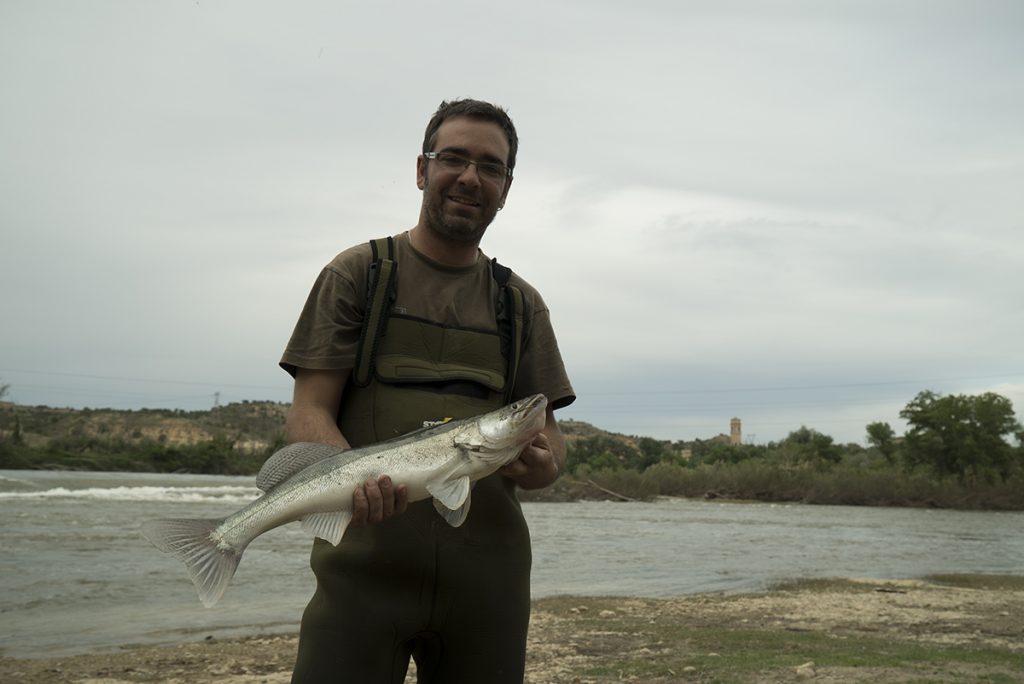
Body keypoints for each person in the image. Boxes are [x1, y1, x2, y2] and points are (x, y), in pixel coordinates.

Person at [279, 98, 575, 683]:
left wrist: (541, 464)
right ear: (422, 169)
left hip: (490, 586)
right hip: (360, 578)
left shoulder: (522, 304)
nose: (471, 177)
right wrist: (350, 481)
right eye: (454, 158)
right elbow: (309, 411)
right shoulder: (357, 274)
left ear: (506, 187)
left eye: (490, 167)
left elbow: (553, 446)